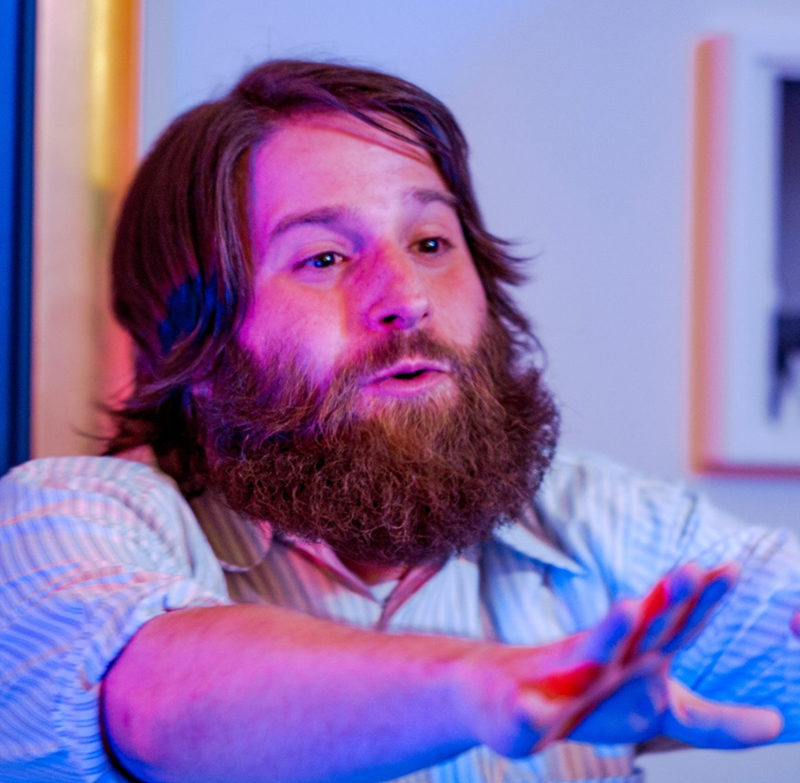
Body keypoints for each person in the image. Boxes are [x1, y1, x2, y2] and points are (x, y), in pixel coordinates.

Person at [0, 59, 798, 783]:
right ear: (196, 345)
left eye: (430, 241)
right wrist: (490, 684)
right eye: (323, 257)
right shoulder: (63, 520)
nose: (407, 297)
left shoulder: (599, 521)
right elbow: (152, 703)